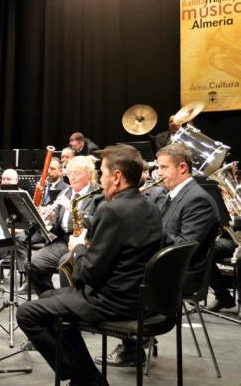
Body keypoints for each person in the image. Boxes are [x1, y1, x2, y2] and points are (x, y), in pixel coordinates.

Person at [17, 144, 163, 386]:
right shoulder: (150, 205)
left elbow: (88, 276)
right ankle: (88, 376)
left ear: (117, 177)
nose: (102, 180)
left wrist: (78, 248)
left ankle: (85, 378)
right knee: (50, 298)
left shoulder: (112, 210)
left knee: (28, 313)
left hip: (115, 301)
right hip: (141, 296)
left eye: (103, 173)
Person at [99, 143, 219, 366]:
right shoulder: (171, 196)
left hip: (182, 274)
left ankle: (132, 344)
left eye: (164, 168)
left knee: (120, 276)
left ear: (182, 168)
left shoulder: (197, 199)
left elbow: (186, 248)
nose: (158, 173)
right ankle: (132, 339)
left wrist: (146, 227)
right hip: (163, 267)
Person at [28, 155, 99, 295]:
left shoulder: (98, 194)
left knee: (64, 262)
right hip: (64, 240)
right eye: (69, 173)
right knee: (32, 263)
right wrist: (47, 218)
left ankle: (68, 304)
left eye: (76, 173)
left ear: (89, 175)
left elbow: (96, 223)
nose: (71, 177)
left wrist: (72, 209)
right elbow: (57, 226)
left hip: (86, 242)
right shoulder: (65, 192)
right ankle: (49, 300)